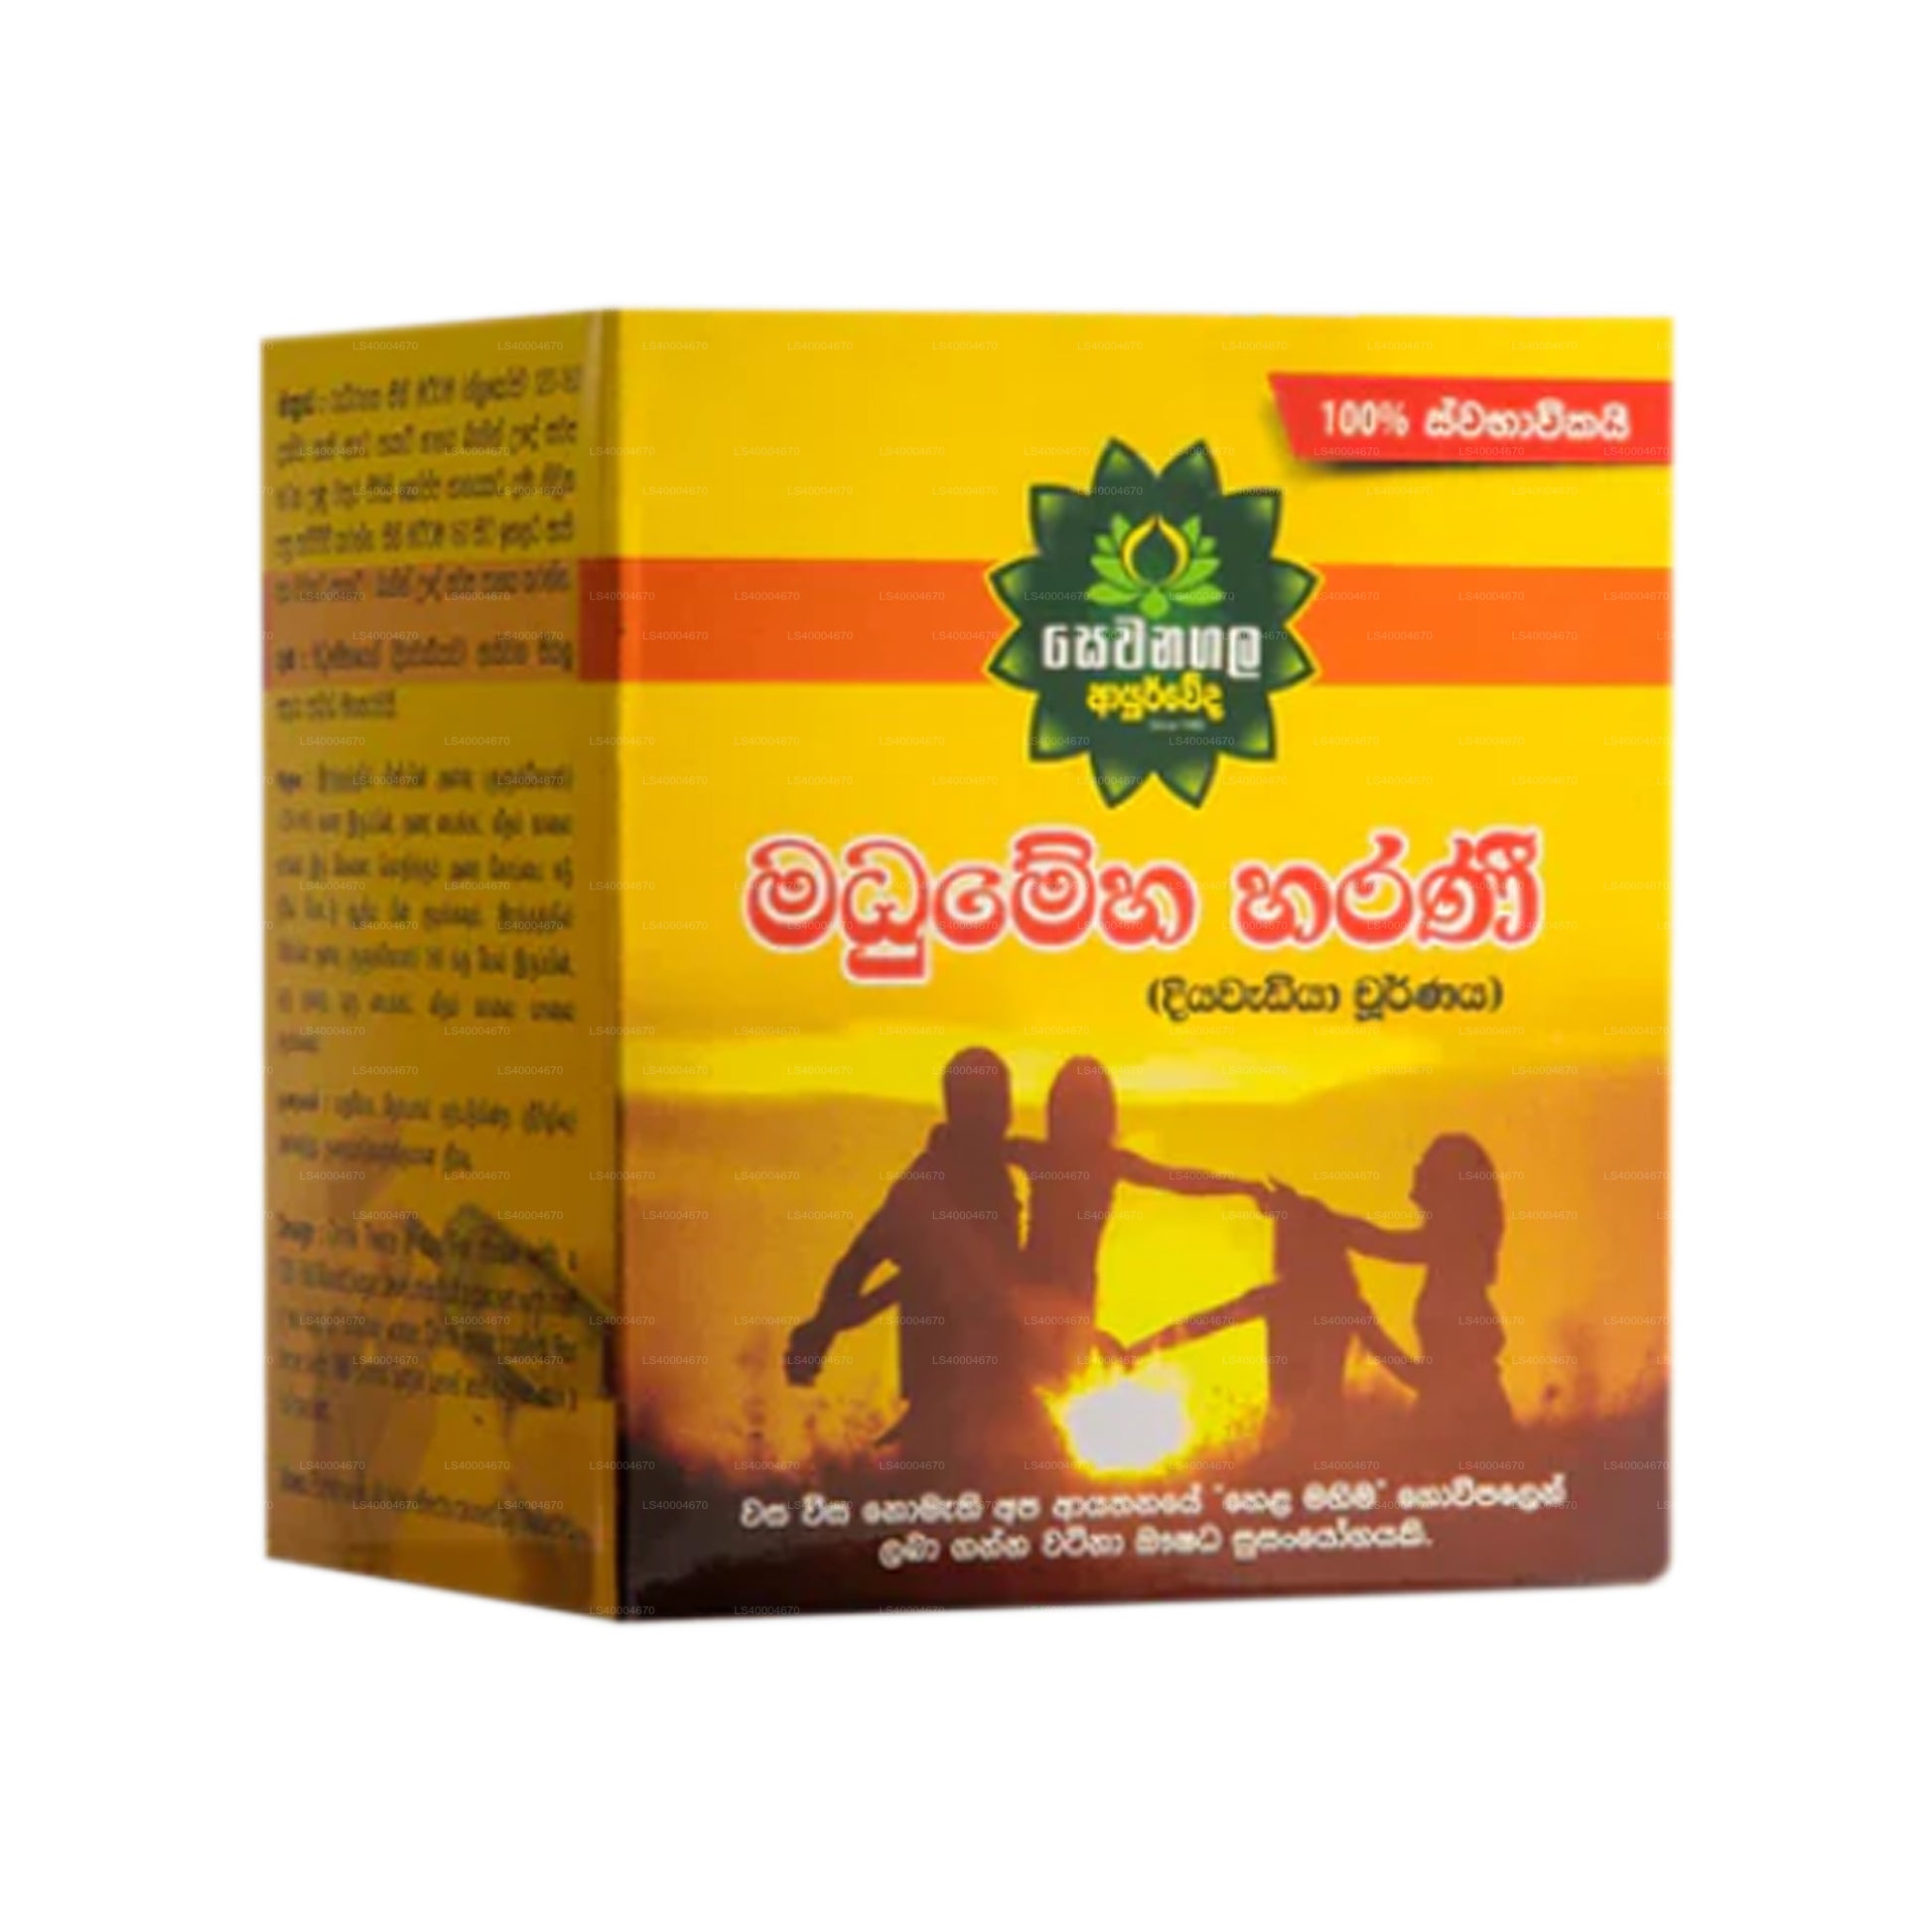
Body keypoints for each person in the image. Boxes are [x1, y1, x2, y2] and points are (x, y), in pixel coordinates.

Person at [784, 1046, 1034, 1464]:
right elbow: (860, 1258)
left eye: (1002, 1102)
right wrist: (824, 1330)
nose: (1001, 1116)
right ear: (959, 1109)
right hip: (946, 1379)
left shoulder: (993, 1173)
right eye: (989, 1104)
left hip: (996, 1375)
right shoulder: (929, 1181)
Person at [1005, 1055, 1266, 1387]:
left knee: (1052, 1386)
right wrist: (1243, 1187)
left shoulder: (1085, 1161)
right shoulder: (1049, 1157)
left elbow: (1179, 1180)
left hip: (1068, 1297)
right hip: (1039, 1293)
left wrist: (1241, 1187)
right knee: (1040, 1386)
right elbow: (1177, 1180)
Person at [1122, 1182, 1418, 1449]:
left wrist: (1137, 1351)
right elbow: (1397, 1362)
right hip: (1325, 1438)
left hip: (1287, 1439)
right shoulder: (1344, 1304)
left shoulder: (1280, 1299)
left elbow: (1201, 1325)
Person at [1317, 1133, 1513, 1439]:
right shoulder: (1452, 1261)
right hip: (1452, 1415)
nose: (1418, 1170)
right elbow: (1430, 1380)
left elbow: (1382, 1243)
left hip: (1466, 1420)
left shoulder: (1455, 1248)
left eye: (1428, 1166)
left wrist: (1321, 1219)